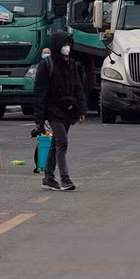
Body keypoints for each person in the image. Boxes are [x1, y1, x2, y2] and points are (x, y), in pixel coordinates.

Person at [33, 31, 87, 191]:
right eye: (65, 45)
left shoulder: (72, 64)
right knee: (62, 142)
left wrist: (82, 109)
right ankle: (65, 179)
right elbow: (40, 92)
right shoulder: (46, 65)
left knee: (55, 144)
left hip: (69, 111)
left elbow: (78, 88)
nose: (67, 48)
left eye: (69, 45)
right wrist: (39, 118)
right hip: (53, 110)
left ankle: (48, 178)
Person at [32, 48, 51, 174]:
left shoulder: (54, 67)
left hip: (53, 108)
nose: (46, 55)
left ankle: (45, 165)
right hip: (43, 108)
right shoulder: (40, 68)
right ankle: (41, 164)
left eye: (48, 53)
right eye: (44, 52)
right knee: (43, 138)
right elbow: (38, 92)